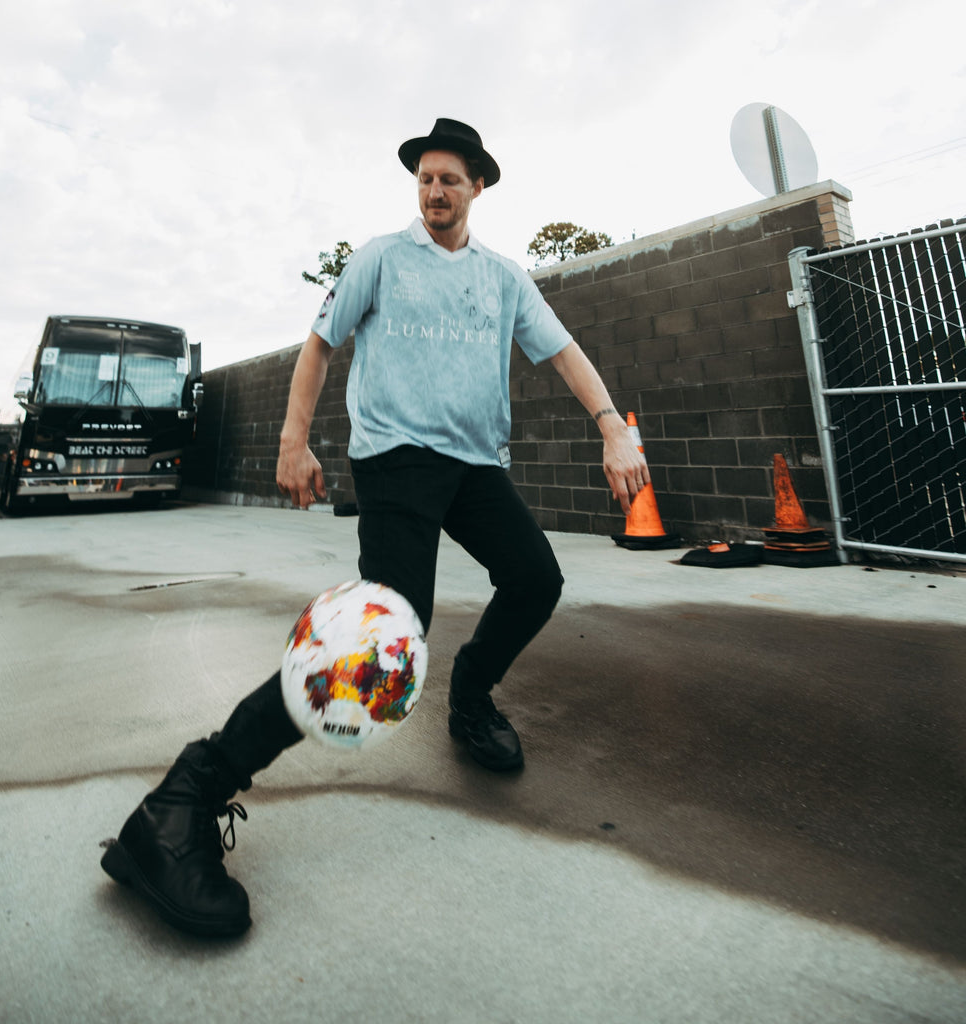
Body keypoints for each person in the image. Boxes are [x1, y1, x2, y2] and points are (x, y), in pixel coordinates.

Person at [100, 118, 649, 938]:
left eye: (449, 179)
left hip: (474, 466)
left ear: (478, 187)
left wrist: (612, 427)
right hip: (395, 461)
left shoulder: (504, 277)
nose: (435, 191)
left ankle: (470, 698)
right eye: (425, 178)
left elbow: (565, 353)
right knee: (384, 637)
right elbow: (319, 345)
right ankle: (182, 801)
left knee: (536, 579)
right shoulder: (381, 259)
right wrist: (293, 441)